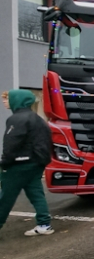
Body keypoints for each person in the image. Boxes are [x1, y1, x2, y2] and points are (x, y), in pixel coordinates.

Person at [0, 89, 55, 236]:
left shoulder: (16, 119)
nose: (5, 102)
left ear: (17, 100)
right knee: (36, 193)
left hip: (18, 164)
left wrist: (4, 163)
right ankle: (44, 224)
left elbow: (11, 144)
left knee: (6, 196)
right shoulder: (38, 119)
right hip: (36, 163)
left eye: (7, 99)